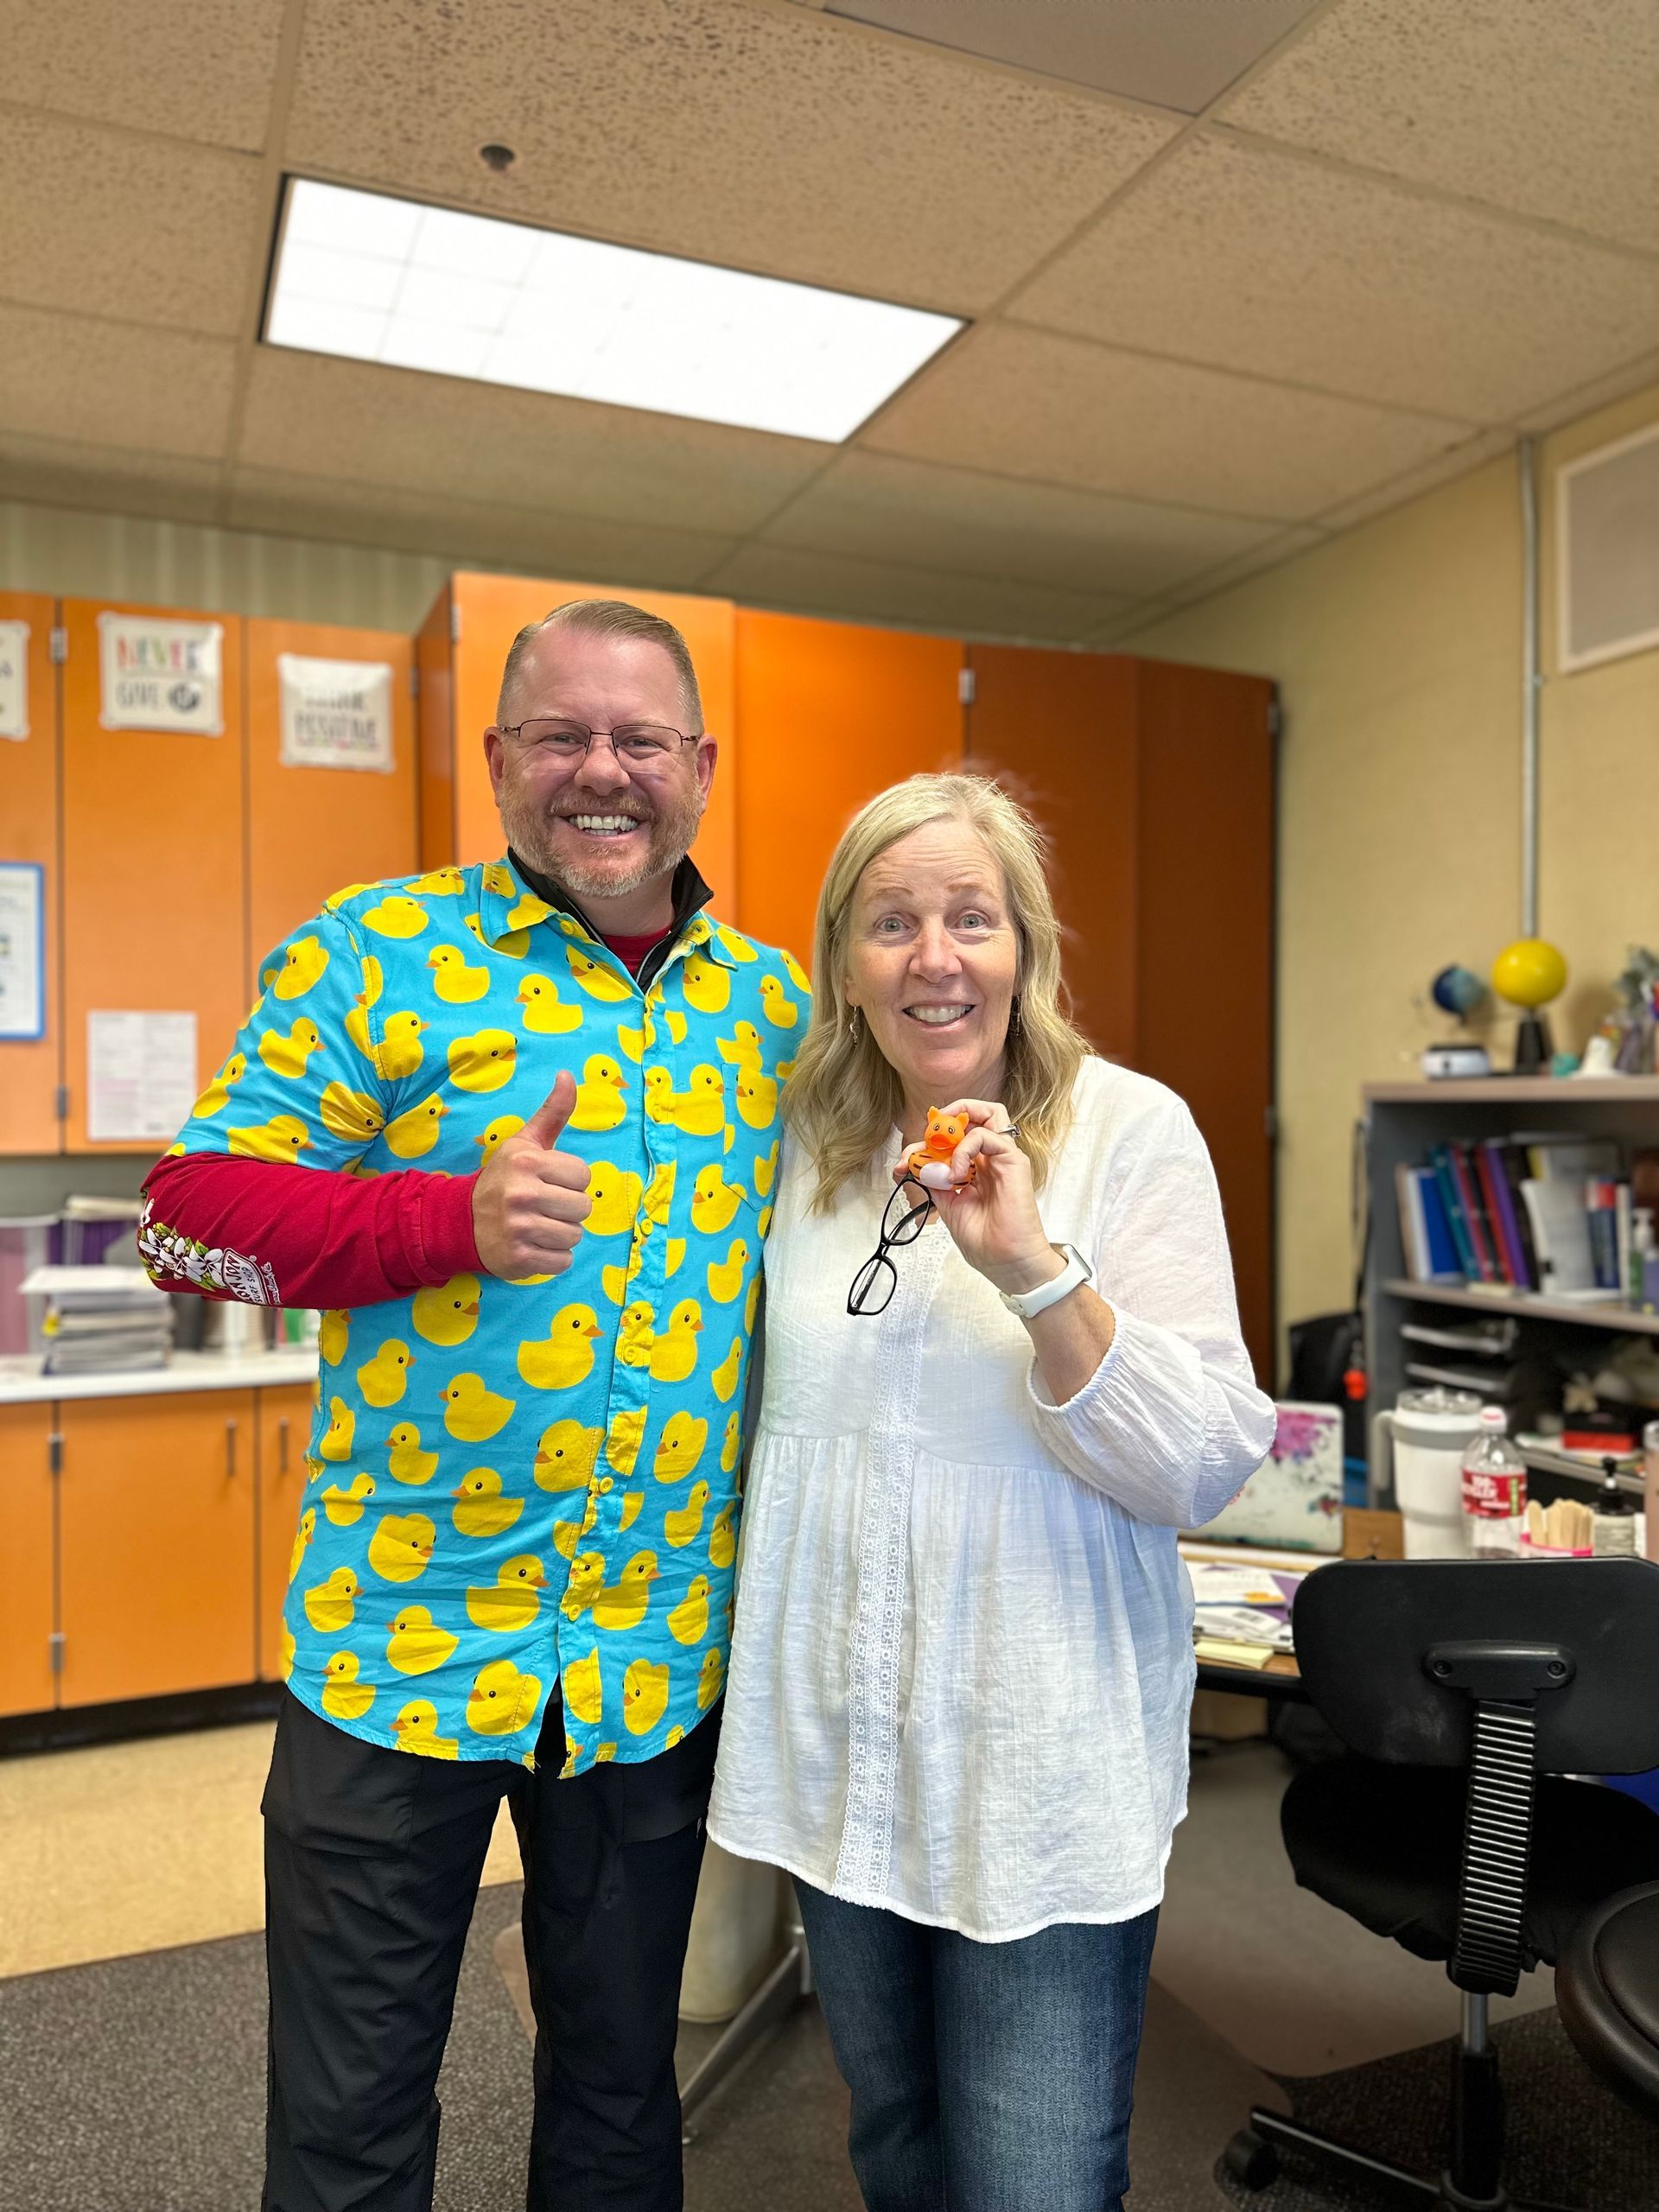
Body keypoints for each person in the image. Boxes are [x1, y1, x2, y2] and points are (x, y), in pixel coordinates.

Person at [139, 599, 802, 2212]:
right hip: (400, 1650)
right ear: (498, 760)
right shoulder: (377, 954)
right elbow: (182, 1225)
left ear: (700, 768)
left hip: (649, 1657)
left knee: (623, 2095)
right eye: (560, 737)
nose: (602, 773)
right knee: (354, 2119)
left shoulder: (782, 1012)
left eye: (640, 739)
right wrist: (446, 1221)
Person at [708, 772, 1274, 2212]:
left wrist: (1033, 1268)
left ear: (1029, 945)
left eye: (974, 916)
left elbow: (1202, 1459)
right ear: (844, 959)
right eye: (891, 922)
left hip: (1038, 1758)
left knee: (1032, 2174)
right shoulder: (803, 1152)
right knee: (893, 2138)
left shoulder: (1127, 1134)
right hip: (843, 1749)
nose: (935, 956)